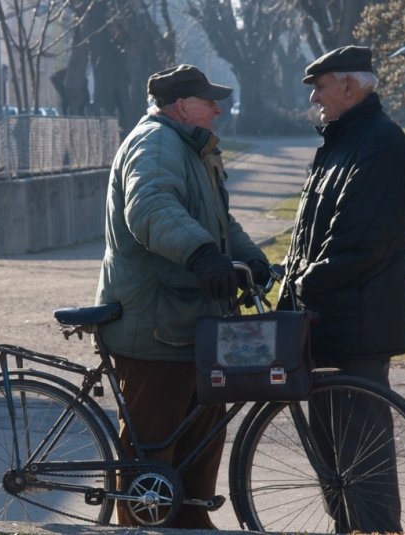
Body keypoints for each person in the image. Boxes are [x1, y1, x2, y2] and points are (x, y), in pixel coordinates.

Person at [95, 64, 269, 528]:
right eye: (209, 101)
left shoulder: (191, 148)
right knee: (152, 446)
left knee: (203, 430)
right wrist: (201, 255)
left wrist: (253, 261)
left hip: (190, 321)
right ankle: (143, 525)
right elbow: (150, 208)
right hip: (155, 324)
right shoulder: (155, 144)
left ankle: (191, 519)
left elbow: (220, 222)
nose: (218, 108)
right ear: (180, 106)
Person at [278, 45, 405, 532]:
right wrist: (288, 279)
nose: (314, 97)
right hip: (325, 323)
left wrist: (300, 281)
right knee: (335, 464)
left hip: (357, 326)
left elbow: (359, 242)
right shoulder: (340, 141)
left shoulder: (379, 142)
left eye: (320, 86)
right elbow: (310, 234)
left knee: (362, 462)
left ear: (350, 86)